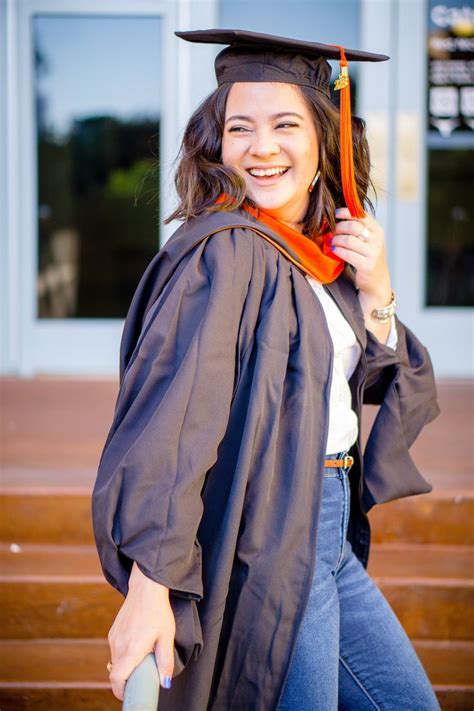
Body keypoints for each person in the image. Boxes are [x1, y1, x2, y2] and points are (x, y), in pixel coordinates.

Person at [92, 29, 441, 710]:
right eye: (240, 127)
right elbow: (175, 421)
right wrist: (149, 586)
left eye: (285, 124)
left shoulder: (315, 259)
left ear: (323, 141)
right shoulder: (223, 254)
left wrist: (378, 291)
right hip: (272, 531)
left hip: (328, 533)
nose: (262, 147)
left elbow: (383, 384)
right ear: (217, 142)